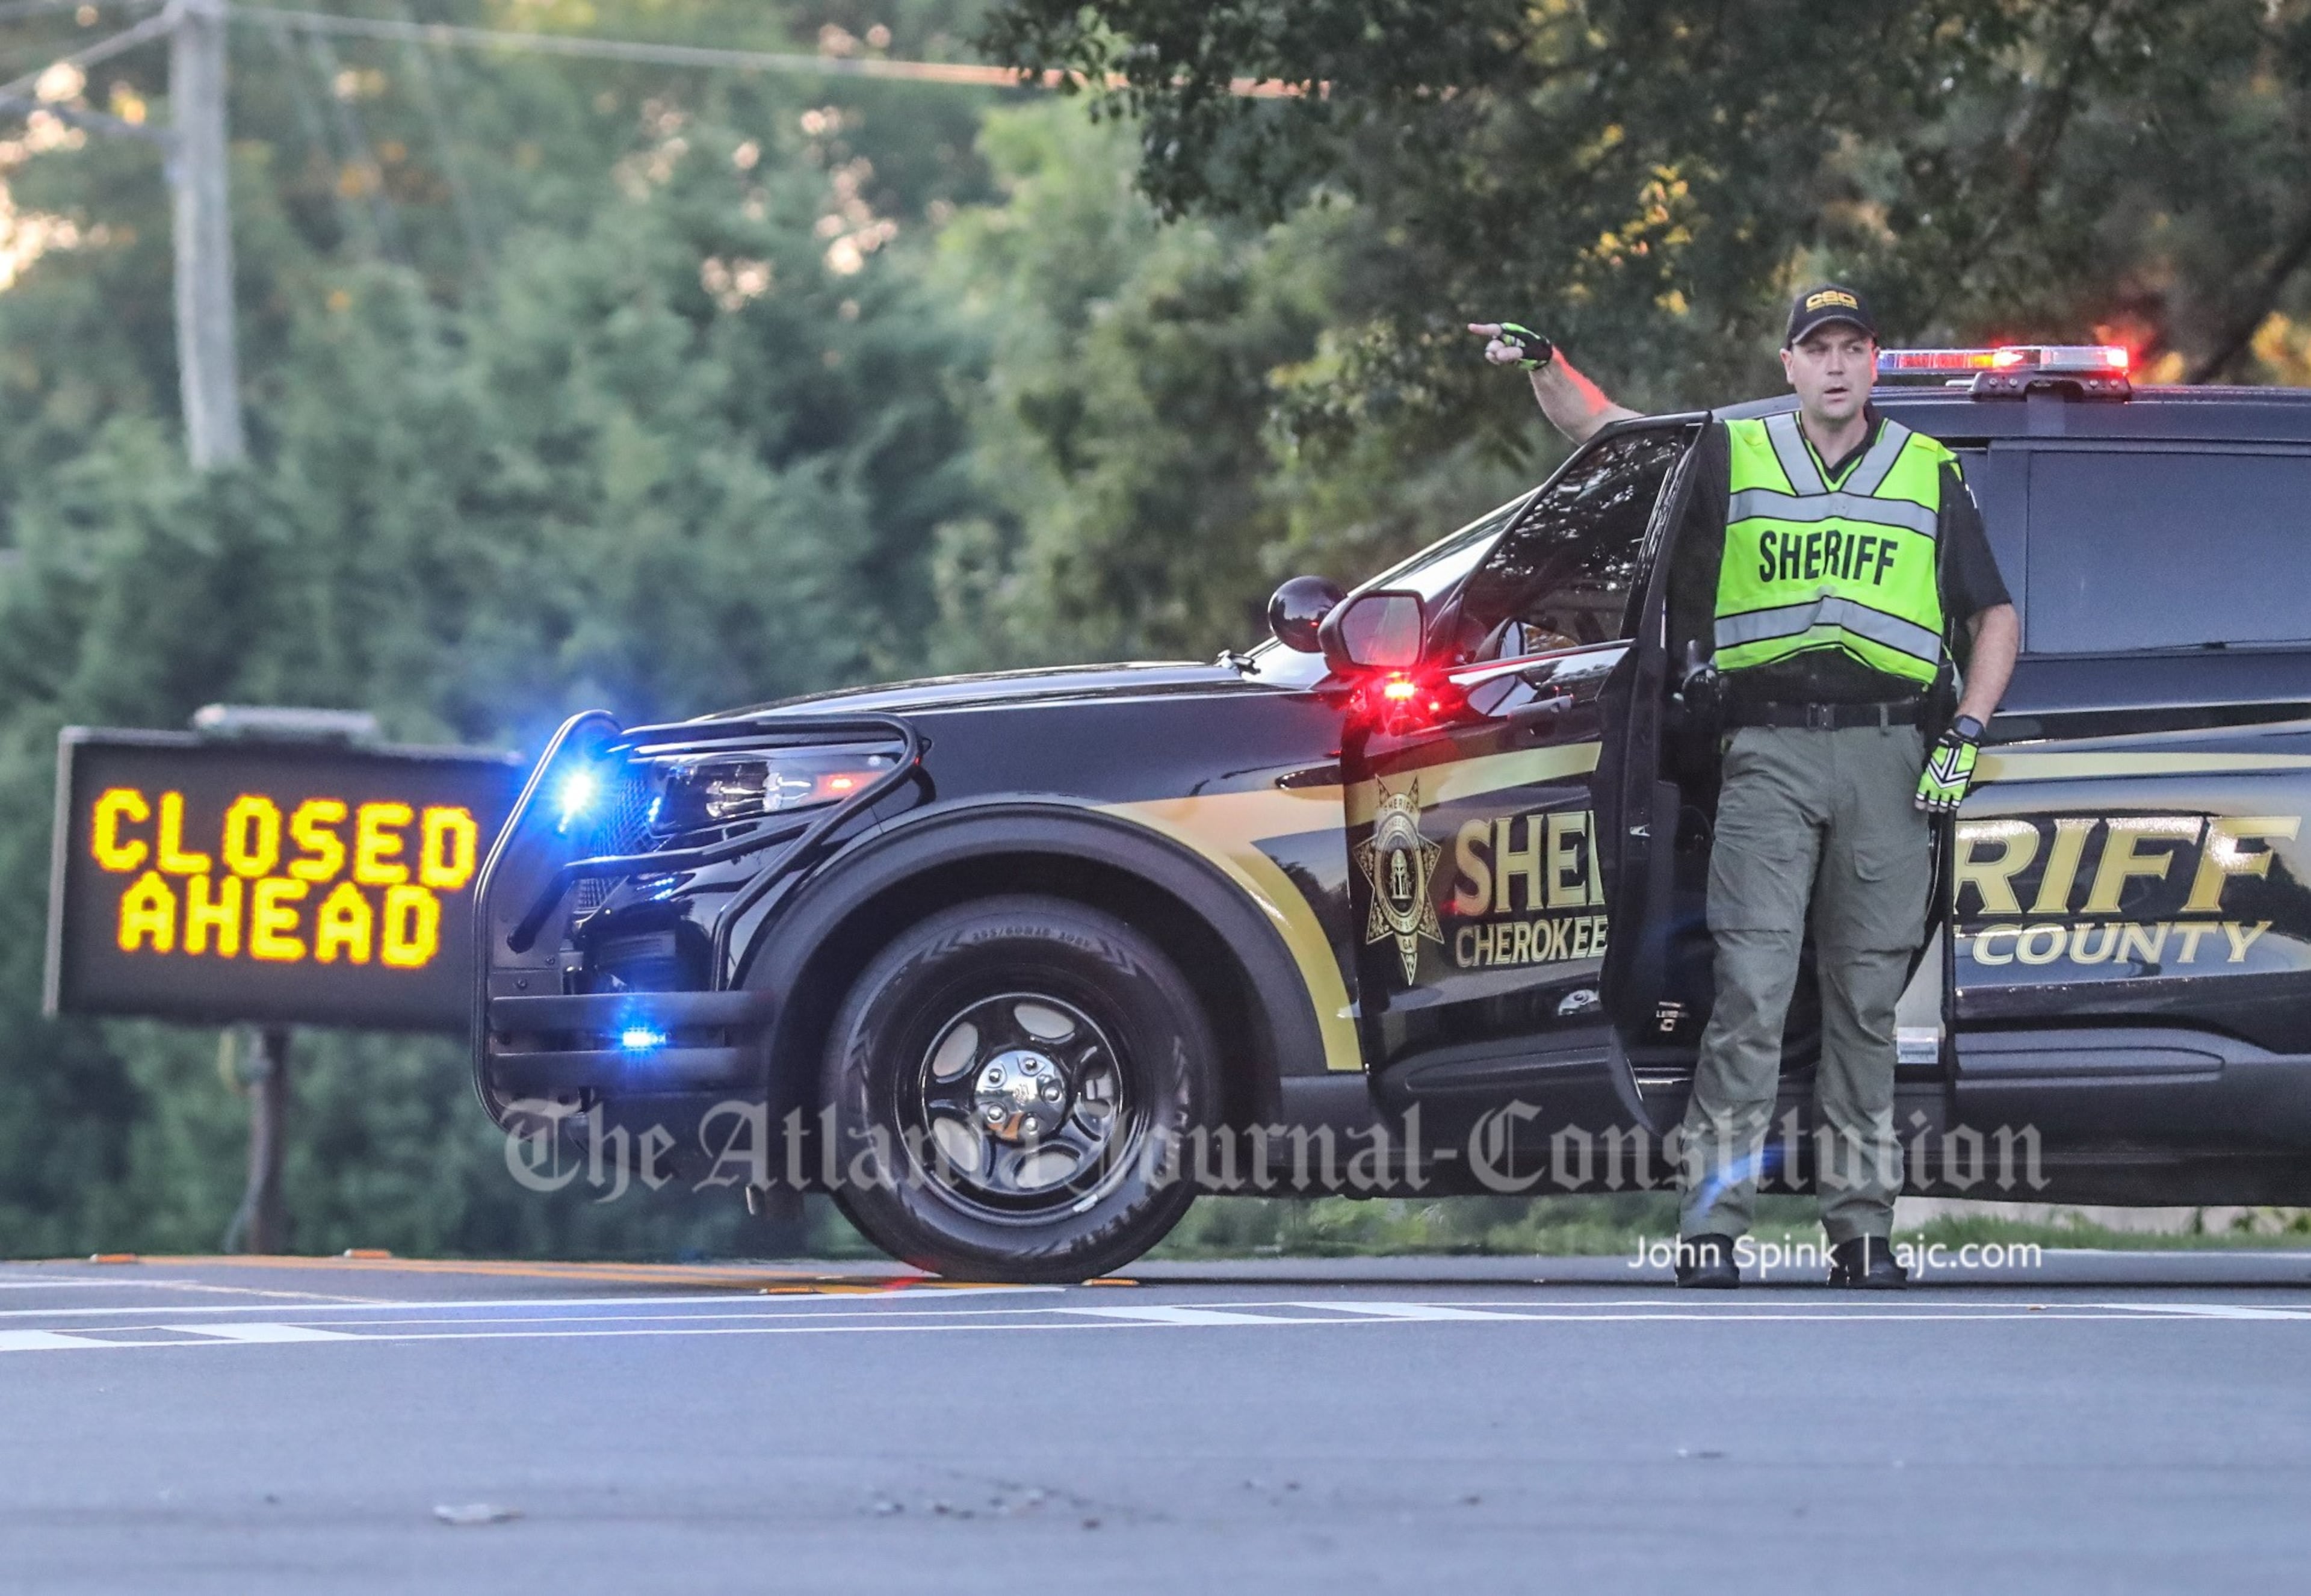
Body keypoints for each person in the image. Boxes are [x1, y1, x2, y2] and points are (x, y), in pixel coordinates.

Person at [1470, 286, 2020, 1289]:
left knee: (1863, 1008)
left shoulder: (1929, 471)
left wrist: (1968, 733)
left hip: (1892, 759)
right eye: (1821, 350)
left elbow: (1995, 619)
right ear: (1790, 366)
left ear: (1877, 363)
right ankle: (1712, 1229)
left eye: (1855, 348)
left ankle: (1862, 1235)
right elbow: (1613, 433)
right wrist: (1549, 361)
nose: (1839, 366)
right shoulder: (1739, 452)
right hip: (1766, 753)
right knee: (1753, 995)